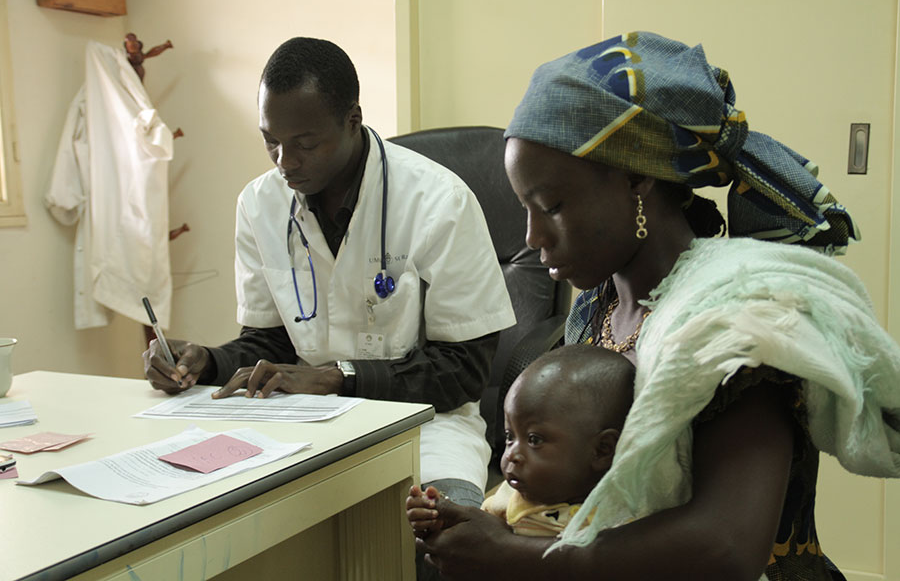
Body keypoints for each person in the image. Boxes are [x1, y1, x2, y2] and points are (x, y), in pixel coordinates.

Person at [415, 31, 900, 581]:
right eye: (524, 207)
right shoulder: (596, 307)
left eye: (551, 206)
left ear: (636, 178)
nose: (532, 237)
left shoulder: (732, 319)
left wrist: (518, 558)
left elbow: (726, 547)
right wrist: (503, 523)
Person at [142, 36, 517, 546]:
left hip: (425, 429)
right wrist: (205, 361)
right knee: (213, 525)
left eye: (304, 142)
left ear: (352, 120)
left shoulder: (439, 202)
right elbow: (268, 344)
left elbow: (465, 371)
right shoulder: (259, 204)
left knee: (445, 540)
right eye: (269, 140)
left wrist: (340, 378)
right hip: (300, 425)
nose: (283, 161)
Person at [408, 345, 633, 538]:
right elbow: (480, 532)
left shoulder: (619, 520)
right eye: (509, 437)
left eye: (534, 440)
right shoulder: (509, 497)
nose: (511, 455)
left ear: (602, 450)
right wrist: (443, 519)